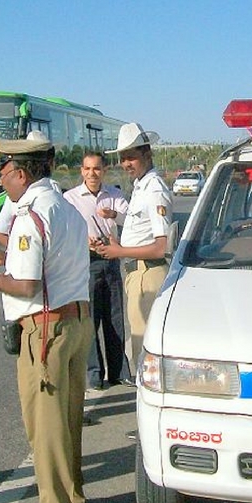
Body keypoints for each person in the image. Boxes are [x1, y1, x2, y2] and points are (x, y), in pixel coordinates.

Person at [0, 137, 92, 503]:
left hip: (45, 329)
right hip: (74, 322)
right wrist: (2, 260)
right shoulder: (65, 208)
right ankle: (71, 498)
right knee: (68, 419)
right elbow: (50, 264)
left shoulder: (29, 215)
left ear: (21, 173)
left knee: (46, 426)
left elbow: (26, 287)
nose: (2, 180)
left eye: (4, 172)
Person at [94, 123, 174, 370]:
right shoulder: (141, 186)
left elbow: (162, 247)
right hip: (137, 273)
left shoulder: (155, 190)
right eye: (123, 158)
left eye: (132, 157)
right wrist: (116, 218)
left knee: (145, 349)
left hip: (148, 274)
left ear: (147, 155)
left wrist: (119, 252)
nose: (126, 163)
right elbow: (142, 226)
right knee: (142, 343)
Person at [63, 152, 131, 390]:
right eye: (88, 169)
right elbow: (66, 232)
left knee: (115, 318)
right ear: (81, 171)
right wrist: (86, 242)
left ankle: (119, 371)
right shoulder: (70, 198)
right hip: (86, 264)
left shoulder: (114, 195)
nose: (92, 174)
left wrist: (113, 214)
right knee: (90, 321)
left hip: (111, 261)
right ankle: (94, 373)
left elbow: (131, 220)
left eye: (97, 169)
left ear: (104, 171)